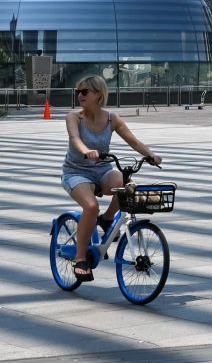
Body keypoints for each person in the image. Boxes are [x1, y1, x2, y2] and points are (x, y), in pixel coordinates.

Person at [62, 75, 162, 282]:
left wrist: (150, 154)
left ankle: (107, 219)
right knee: (90, 207)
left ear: (98, 94)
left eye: (84, 92)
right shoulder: (74, 117)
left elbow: (133, 142)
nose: (79, 95)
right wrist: (87, 151)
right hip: (76, 172)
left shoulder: (111, 119)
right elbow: (75, 139)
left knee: (125, 184)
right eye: (78, 92)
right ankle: (81, 259)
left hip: (102, 170)